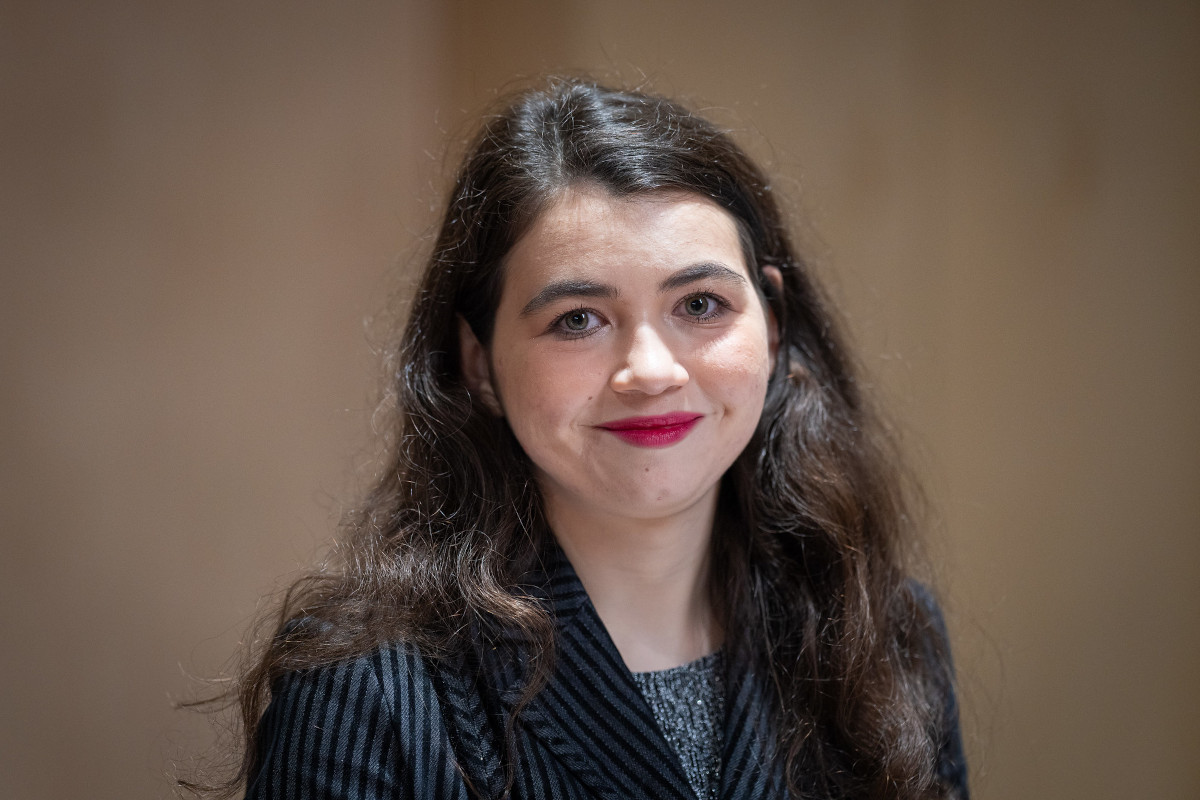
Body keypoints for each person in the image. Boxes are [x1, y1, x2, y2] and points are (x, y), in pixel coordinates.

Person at [214, 78, 969, 799]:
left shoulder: (884, 633)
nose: (652, 371)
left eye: (701, 304)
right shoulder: (363, 691)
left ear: (771, 324)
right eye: (578, 320)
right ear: (479, 364)